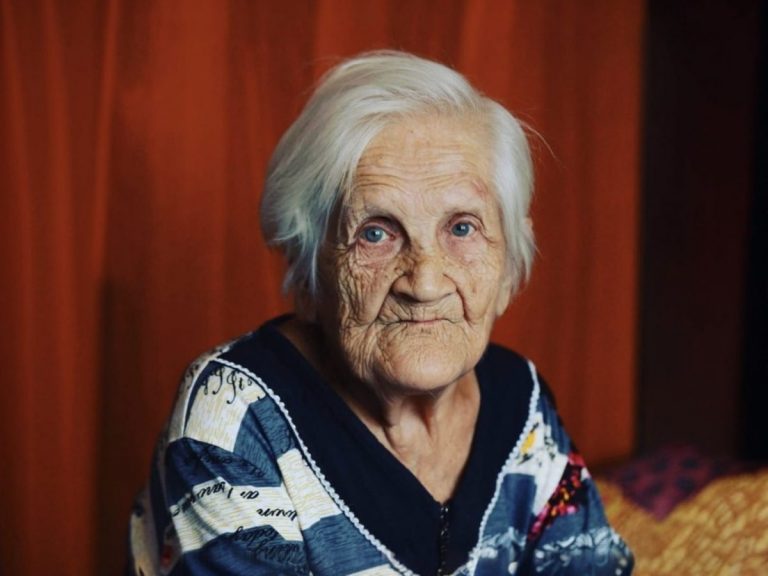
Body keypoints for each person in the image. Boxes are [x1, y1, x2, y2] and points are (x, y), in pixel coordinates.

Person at [128, 50, 633, 576]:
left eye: (462, 228)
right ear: (308, 268)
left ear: (508, 264)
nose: (425, 282)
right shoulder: (235, 418)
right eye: (375, 233)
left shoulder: (519, 403)